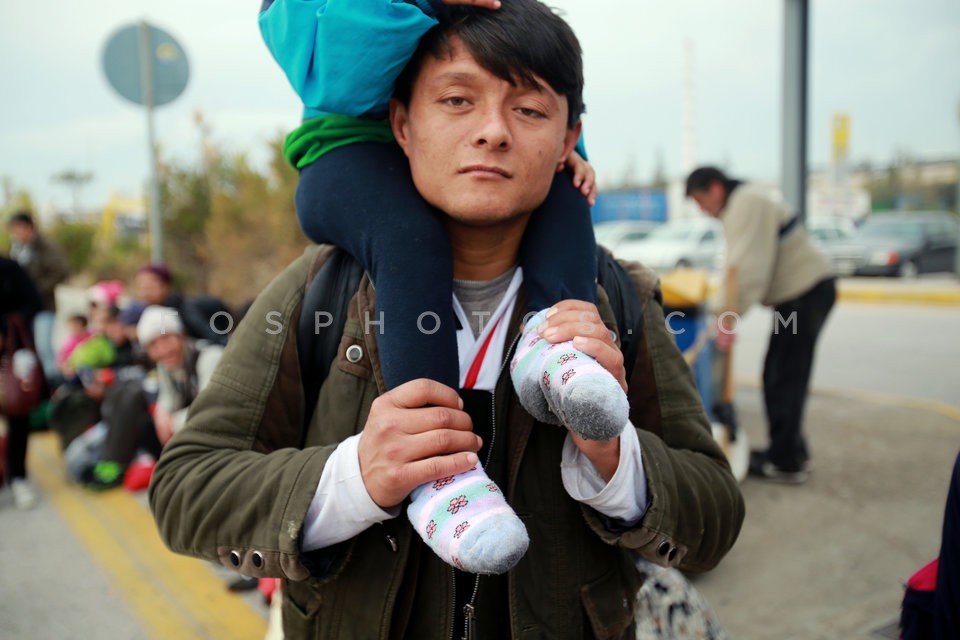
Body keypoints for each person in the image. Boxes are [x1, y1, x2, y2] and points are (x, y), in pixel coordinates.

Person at [151, 3, 744, 637]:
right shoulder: (319, 291)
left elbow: (714, 505)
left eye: (530, 109)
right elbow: (187, 486)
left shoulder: (615, 298)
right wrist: (355, 478)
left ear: (570, 139)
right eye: (457, 100)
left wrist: (614, 459)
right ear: (400, 123)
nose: (493, 131)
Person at [686, 166, 836, 484]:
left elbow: (747, 269)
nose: (702, 210)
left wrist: (727, 315)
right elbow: (735, 268)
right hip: (797, 297)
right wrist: (725, 311)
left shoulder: (746, 203)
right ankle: (791, 451)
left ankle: (786, 461)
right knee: (781, 374)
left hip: (804, 296)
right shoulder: (741, 205)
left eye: (701, 200)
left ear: (715, 188)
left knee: (783, 375)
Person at [82, 305, 223, 490]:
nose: (162, 349)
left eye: (166, 338)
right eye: (153, 344)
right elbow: (168, 398)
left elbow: (211, 411)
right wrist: (161, 413)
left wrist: (171, 422)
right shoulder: (167, 364)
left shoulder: (209, 357)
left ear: (182, 334)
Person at [8, 211, 70, 386]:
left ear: (29, 227)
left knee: (44, 348)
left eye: (20, 228)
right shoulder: (16, 249)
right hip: (23, 310)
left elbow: (61, 271)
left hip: (43, 306)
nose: (17, 233)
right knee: (26, 350)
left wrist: (35, 289)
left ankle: (54, 385)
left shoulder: (44, 247)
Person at [0, 256, 43, 509]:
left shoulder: (9, 268)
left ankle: (19, 477)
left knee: (18, 416)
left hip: (12, 355)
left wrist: (7, 326)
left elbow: (33, 303)